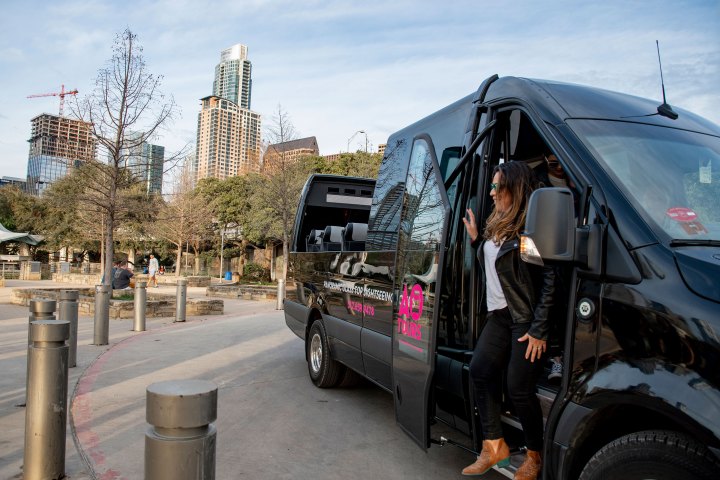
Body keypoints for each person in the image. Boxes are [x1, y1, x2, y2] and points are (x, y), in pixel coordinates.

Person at [461, 161, 556, 479]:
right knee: (480, 371)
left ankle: (534, 455)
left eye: (496, 186)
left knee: (518, 389)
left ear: (512, 189)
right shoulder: (496, 224)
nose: (490, 192)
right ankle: (494, 447)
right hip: (499, 316)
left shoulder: (527, 231)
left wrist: (539, 329)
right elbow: (496, 265)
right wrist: (477, 242)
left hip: (522, 320)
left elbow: (549, 279)